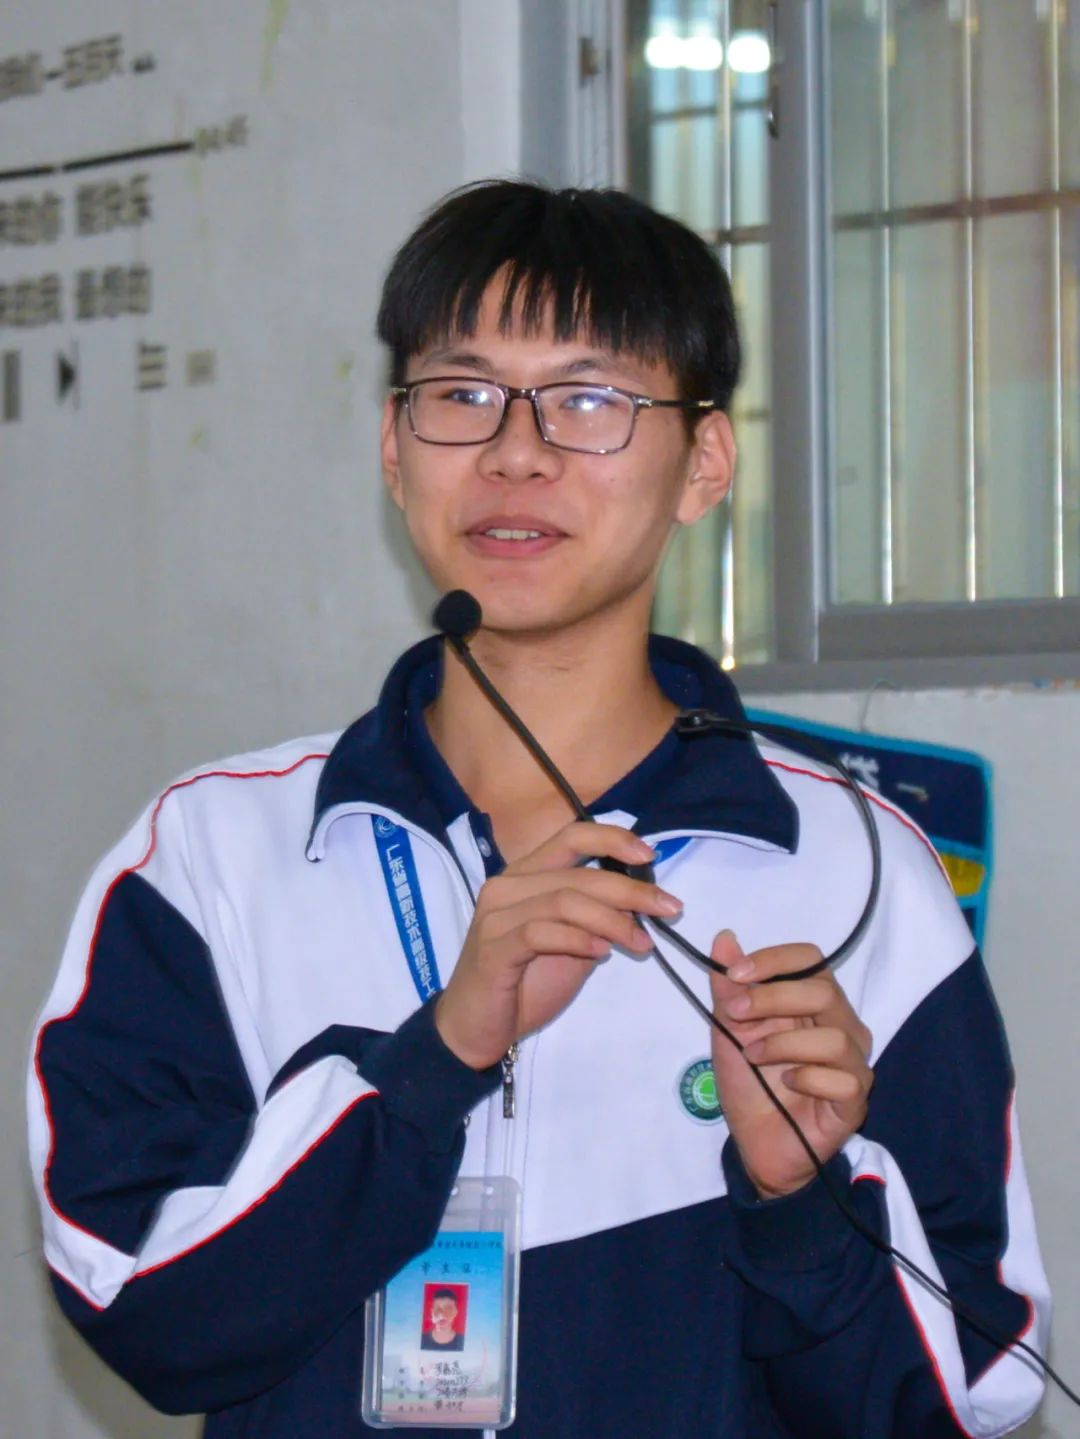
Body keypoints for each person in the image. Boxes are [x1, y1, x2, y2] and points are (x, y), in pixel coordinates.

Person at [28, 180, 1049, 1438]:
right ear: (393, 447)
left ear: (704, 461)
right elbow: (143, 1313)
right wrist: (431, 1060)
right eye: (461, 395)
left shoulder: (853, 871)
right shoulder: (211, 856)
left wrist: (798, 1199)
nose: (516, 452)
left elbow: (964, 1403)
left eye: (590, 399)